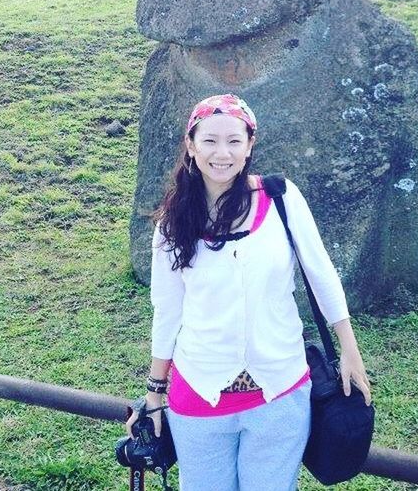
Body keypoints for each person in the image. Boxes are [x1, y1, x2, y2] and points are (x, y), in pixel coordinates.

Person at [126, 92, 371, 491]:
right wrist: (154, 394)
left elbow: (321, 272)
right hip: (199, 394)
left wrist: (350, 348)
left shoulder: (281, 199)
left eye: (234, 141)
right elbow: (167, 312)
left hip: (280, 391)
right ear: (190, 145)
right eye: (209, 140)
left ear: (250, 145)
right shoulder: (171, 223)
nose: (221, 152)